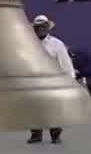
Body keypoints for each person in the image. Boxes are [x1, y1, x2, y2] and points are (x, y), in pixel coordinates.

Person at [27, 14, 74, 145]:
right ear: (34, 29)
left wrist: (70, 81)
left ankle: (55, 135)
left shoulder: (57, 44)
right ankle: (36, 134)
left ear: (48, 28)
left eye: (43, 26)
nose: (41, 29)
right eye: (38, 27)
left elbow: (66, 63)